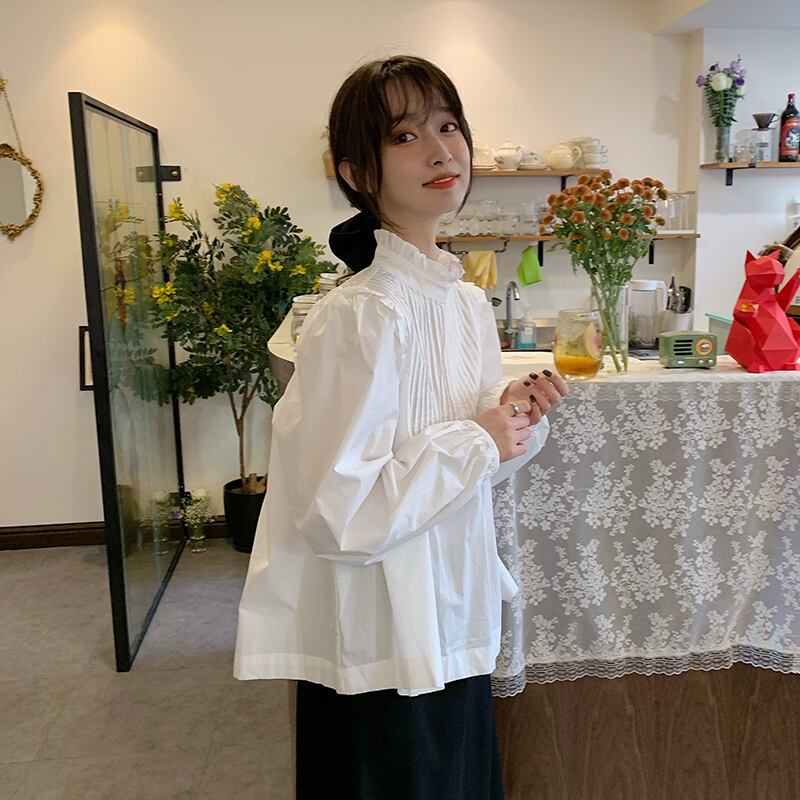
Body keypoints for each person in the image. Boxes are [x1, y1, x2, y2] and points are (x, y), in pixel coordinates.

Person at [234, 54, 568, 799]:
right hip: (380, 637)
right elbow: (338, 511)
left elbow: (475, 461)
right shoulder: (359, 314)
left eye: (449, 127)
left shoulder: (464, 302)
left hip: (451, 613)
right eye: (405, 136)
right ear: (358, 172)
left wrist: (513, 419)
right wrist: (478, 439)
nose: (442, 151)